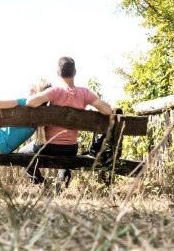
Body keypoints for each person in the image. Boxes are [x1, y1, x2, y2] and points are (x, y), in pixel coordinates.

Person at [24, 56, 113, 186]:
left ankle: (39, 183)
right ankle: (62, 179)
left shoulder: (55, 91)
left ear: (58, 73)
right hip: (70, 148)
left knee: (22, 153)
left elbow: (29, 102)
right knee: (65, 154)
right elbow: (107, 110)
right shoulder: (84, 93)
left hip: (48, 147)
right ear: (75, 72)